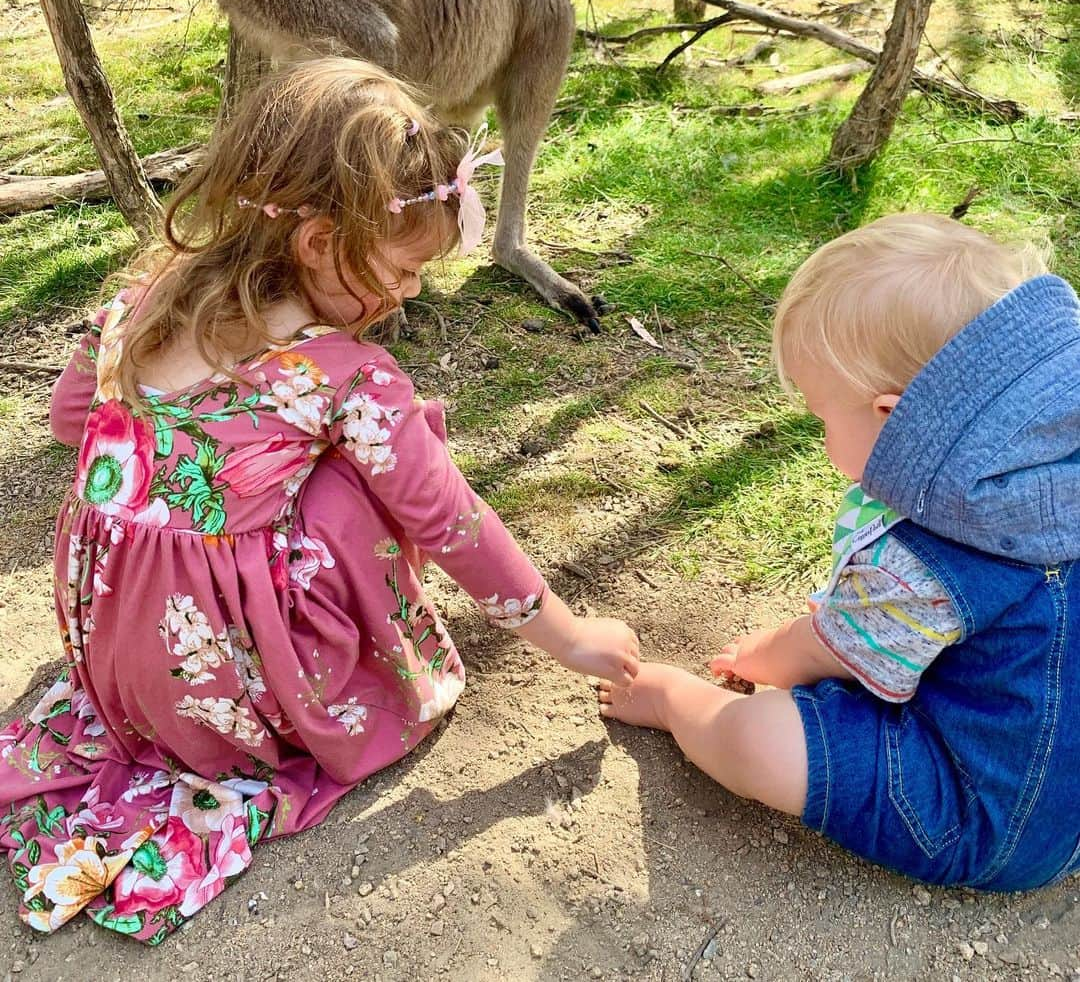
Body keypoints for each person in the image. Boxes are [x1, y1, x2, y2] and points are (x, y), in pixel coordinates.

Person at [0, 59, 639, 944]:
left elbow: (72, 420)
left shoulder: (137, 300)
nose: (411, 293)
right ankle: (340, 681)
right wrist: (572, 639)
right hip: (221, 681)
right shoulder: (344, 375)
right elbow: (447, 519)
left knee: (291, 477)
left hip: (109, 648)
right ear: (315, 241)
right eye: (402, 271)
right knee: (363, 484)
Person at [599, 213, 1080, 891]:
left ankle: (676, 703)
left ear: (890, 418)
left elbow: (829, 650)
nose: (820, 434)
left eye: (821, 415)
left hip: (995, 820)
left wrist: (763, 655)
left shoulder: (924, 563)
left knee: (758, 737)